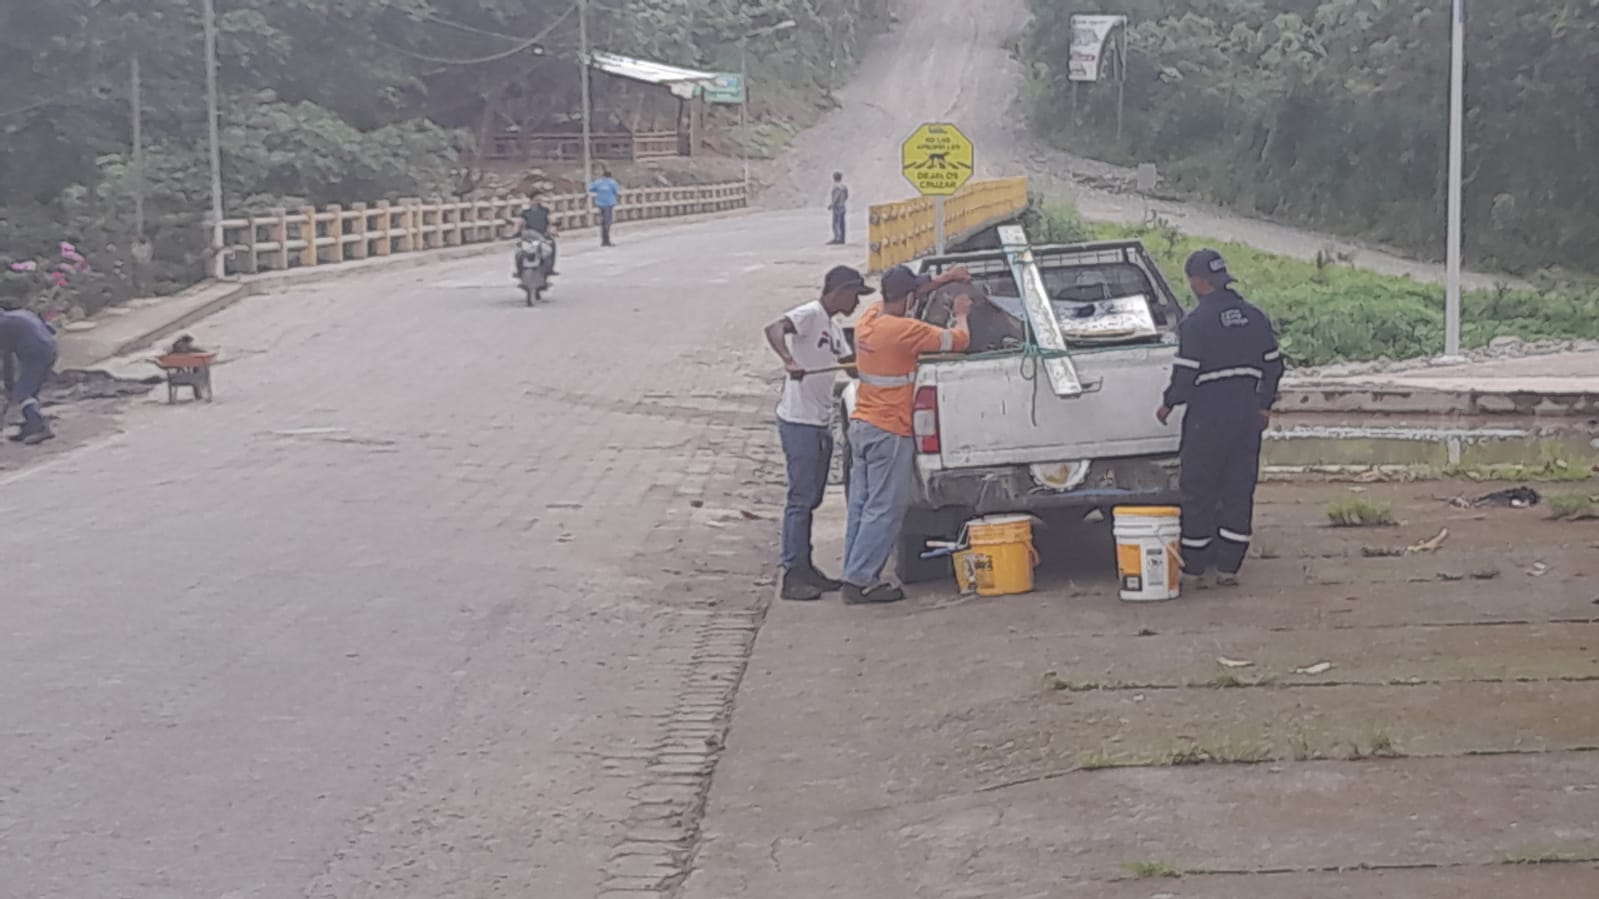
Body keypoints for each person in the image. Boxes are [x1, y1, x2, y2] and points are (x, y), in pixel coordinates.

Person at [841, 264, 973, 604]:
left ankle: (853, 571)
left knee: (862, 505)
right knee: (886, 508)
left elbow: (907, 296)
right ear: (910, 298)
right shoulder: (907, 331)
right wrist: (961, 314)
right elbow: (959, 341)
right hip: (890, 430)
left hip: (863, 426)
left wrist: (943, 279)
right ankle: (861, 580)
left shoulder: (869, 319)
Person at [1156, 249, 1285, 589]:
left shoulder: (1195, 323)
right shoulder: (1256, 318)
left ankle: (1196, 567)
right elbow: (1274, 366)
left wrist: (1168, 403)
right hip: (1246, 416)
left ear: (1199, 282)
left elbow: (1185, 377)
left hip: (1208, 418)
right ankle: (1229, 566)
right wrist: (1263, 405)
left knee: (1199, 489)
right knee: (1238, 489)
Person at [764, 265, 874, 601]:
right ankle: (792, 573)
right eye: (855, 295)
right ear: (840, 291)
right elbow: (774, 328)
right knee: (799, 500)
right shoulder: (810, 314)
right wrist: (789, 360)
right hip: (799, 422)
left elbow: (852, 367)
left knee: (812, 498)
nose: (857, 303)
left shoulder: (833, 328)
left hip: (819, 421)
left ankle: (805, 565)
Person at [0, 307, 59, 445]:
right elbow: (50, 328)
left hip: (35, 354)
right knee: (30, 392)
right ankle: (30, 426)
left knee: (23, 394)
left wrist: (9, 387)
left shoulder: (2, 326)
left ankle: (40, 427)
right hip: (50, 348)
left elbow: (7, 359)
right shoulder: (21, 313)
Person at [514, 190, 559, 278]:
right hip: (529, 238)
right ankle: (519, 271)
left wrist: (554, 227)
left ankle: (550, 269)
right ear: (531, 200)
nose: (538, 202)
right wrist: (515, 232)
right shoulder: (525, 212)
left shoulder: (545, 211)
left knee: (552, 246)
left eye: (540, 200)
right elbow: (519, 223)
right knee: (518, 251)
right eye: (536, 200)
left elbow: (552, 221)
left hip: (543, 237)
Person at [588, 168, 621, 247]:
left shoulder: (598, 182)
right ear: (610, 176)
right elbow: (617, 191)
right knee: (607, 222)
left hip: (600, 203)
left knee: (603, 222)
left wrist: (599, 191)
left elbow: (591, 189)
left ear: (603, 175)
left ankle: (603, 240)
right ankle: (607, 241)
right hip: (609, 204)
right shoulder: (612, 182)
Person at [827, 172, 849, 245]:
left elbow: (836, 196)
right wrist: (843, 201)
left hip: (837, 207)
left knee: (836, 223)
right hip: (842, 206)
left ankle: (837, 238)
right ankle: (842, 238)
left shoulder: (836, 187)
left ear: (834, 178)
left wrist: (832, 204)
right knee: (842, 223)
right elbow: (846, 196)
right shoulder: (844, 186)